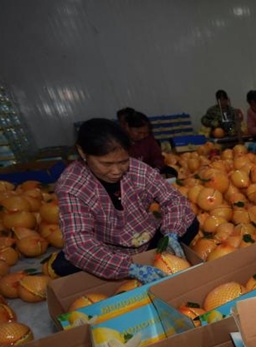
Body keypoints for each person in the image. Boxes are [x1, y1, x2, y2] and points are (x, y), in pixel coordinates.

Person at [51, 118, 198, 284]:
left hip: (145, 239)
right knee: (64, 264)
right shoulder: (72, 185)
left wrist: (171, 233)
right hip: (107, 249)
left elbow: (173, 199)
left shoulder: (137, 169)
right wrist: (129, 268)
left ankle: (154, 257)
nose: (116, 171)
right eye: (106, 164)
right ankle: (125, 269)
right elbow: (80, 244)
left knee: (190, 222)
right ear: (83, 153)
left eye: (123, 162)